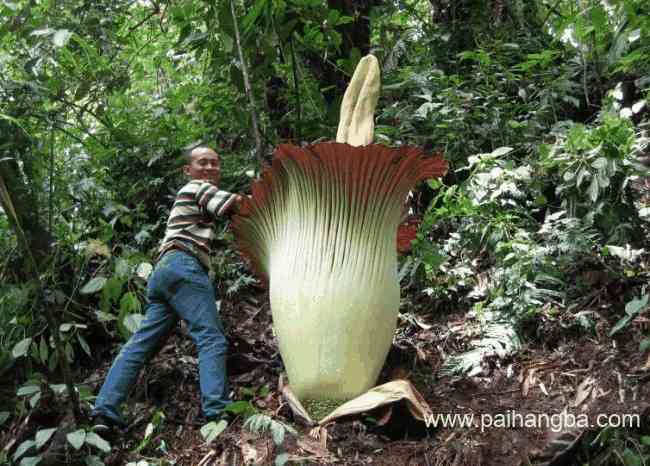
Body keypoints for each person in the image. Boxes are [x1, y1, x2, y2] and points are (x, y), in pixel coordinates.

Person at [91, 145, 243, 429]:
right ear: (188, 170)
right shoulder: (198, 187)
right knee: (211, 338)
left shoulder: (192, 194)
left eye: (215, 163)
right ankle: (217, 412)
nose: (210, 168)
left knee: (140, 345)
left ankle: (104, 410)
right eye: (203, 163)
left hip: (163, 272)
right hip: (184, 266)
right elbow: (235, 205)